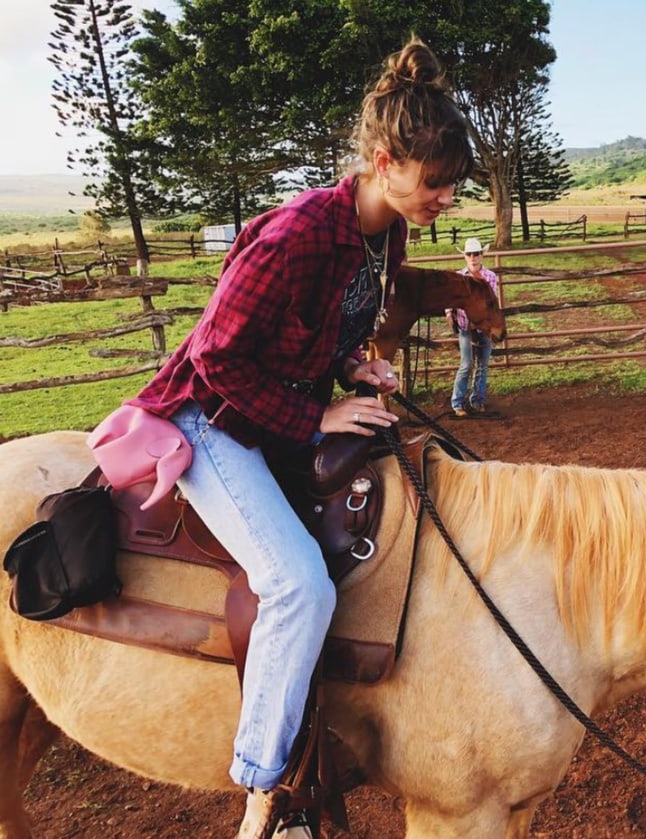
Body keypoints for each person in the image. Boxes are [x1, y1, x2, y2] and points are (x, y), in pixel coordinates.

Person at [104, 37, 472, 839]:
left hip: (279, 405)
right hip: (216, 419)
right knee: (299, 581)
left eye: (451, 184)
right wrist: (317, 418)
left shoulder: (387, 236)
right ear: (384, 160)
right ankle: (264, 792)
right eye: (436, 181)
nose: (446, 196)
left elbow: (311, 333)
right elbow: (217, 358)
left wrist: (355, 371)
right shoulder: (296, 233)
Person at [446, 237, 500, 417]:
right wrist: (448, 313)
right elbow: (450, 299)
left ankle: (477, 400)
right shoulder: (459, 277)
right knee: (467, 364)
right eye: (469, 254)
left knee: (482, 365)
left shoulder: (490, 277)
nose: (473, 258)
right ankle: (457, 402)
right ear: (465, 257)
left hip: (484, 327)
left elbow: (490, 304)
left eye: (476, 254)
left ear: (481, 255)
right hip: (465, 326)